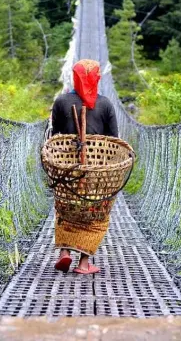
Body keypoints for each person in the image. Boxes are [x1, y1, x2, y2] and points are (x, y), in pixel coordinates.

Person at [50, 59, 118, 274]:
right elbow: (113, 139)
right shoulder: (105, 104)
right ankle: (83, 264)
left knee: (66, 206)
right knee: (94, 211)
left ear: (74, 76)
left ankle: (64, 253)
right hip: (96, 172)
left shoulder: (61, 101)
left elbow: (56, 134)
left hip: (67, 169)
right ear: (96, 78)